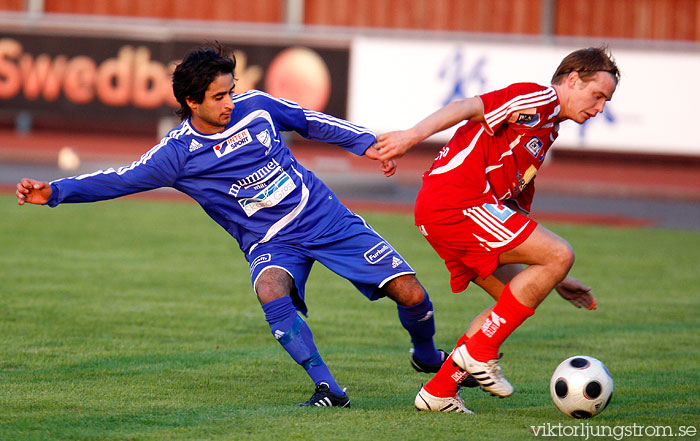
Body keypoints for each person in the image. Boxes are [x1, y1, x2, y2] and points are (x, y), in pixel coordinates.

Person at [15, 43, 448, 408]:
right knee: (269, 289)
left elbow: (309, 121)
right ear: (192, 102)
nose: (229, 103)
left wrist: (367, 144)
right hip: (269, 241)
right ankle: (329, 389)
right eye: (219, 96)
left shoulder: (256, 108)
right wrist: (54, 192)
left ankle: (426, 356)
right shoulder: (177, 154)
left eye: (230, 92)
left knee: (410, 292)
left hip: (323, 216)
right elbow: (119, 180)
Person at [372, 47, 620, 413]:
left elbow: (515, 207)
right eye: (597, 95)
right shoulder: (538, 98)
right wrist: (411, 137)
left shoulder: (546, 130)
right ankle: (479, 353)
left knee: (511, 303)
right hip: (456, 202)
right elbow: (469, 107)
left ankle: (439, 392)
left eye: (606, 101)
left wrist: (555, 275)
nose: (599, 108)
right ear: (572, 80)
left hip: (454, 210)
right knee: (560, 254)